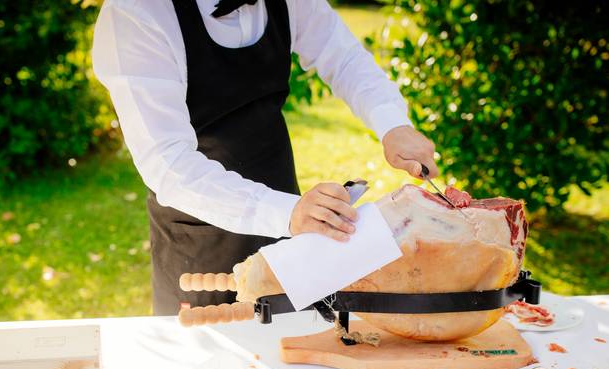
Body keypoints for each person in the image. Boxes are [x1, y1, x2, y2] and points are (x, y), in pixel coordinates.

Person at [92, 0, 439, 314]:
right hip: (200, 237)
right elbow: (168, 164)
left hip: (292, 225)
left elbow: (344, 57)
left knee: (296, 360)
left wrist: (393, 124)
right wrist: (285, 212)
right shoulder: (137, 13)